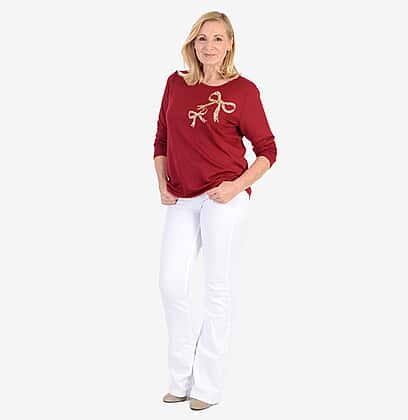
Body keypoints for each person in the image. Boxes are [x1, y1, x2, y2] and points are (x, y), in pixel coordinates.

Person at [153, 11, 277, 411]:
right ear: (193, 43)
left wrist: (236, 187)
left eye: (218, 39)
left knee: (216, 288)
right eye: (202, 38)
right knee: (171, 284)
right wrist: (162, 184)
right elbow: (161, 138)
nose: (209, 46)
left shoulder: (244, 91)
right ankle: (180, 379)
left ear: (230, 44)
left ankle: (207, 386)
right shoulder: (175, 84)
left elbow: (268, 150)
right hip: (182, 198)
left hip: (224, 196)